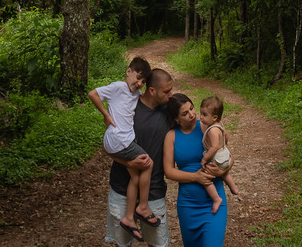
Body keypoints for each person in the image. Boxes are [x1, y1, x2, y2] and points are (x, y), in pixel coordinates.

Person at [90, 56, 156, 242]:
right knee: (148, 163)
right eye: (138, 77)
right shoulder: (119, 87)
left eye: (143, 81)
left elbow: (143, 99)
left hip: (119, 141)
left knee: (135, 177)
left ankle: (129, 218)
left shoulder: (135, 93)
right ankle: (143, 207)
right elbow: (93, 94)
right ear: (128, 71)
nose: (139, 83)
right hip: (119, 139)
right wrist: (106, 115)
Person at [106, 67, 174, 246]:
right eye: (166, 91)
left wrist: (217, 132)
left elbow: (191, 123)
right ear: (152, 91)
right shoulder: (128, 107)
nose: (171, 95)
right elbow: (108, 147)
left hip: (154, 190)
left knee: (157, 244)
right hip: (122, 188)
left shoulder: (169, 110)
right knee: (122, 243)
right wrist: (128, 162)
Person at [164, 94, 231, 247]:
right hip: (188, 205)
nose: (192, 114)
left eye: (192, 108)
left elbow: (227, 155)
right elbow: (169, 171)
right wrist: (195, 177)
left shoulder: (208, 127)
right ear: (176, 118)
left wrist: (221, 171)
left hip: (214, 201)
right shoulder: (171, 136)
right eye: (185, 113)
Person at [198, 95, 238, 213]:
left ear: (214, 117)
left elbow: (214, 147)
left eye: (204, 115)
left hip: (217, 158)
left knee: (205, 177)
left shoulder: (212, 130)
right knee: (225, 174)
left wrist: (205, 158)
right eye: (201, 113)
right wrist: (224, 145)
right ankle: (234, 188)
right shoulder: (219, 125)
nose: (201, 117)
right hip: (225, 156)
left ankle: (216, 199)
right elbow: (225, 136)